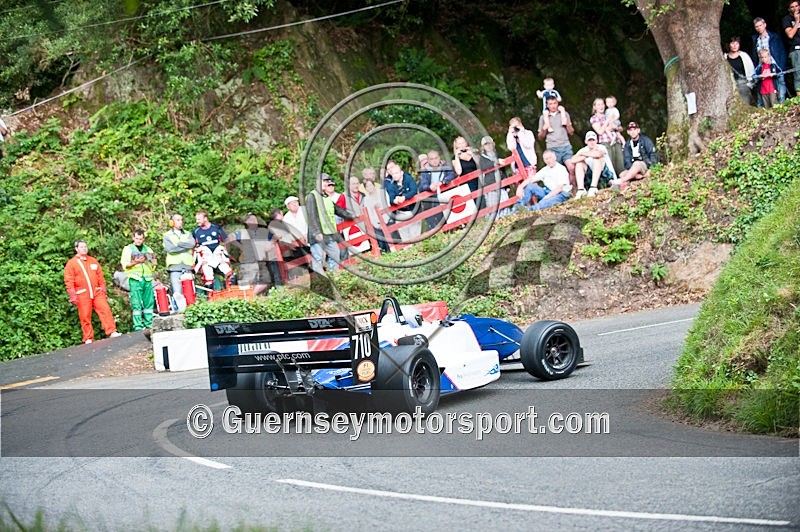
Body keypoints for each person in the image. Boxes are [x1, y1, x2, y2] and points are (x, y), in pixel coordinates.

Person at [64, 240, 122, 344]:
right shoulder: (72, 263)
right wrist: (72, 295)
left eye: (85, 246)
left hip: (96, 292)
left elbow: (100, 276)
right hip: (82, 293)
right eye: (81, 247)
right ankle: (88, 337)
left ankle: (111, 331)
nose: (84, 249)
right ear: (76, 249)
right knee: (85, 315)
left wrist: (103, 288)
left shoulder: (93, 261)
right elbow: (69, 280)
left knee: (105, 310)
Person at [306, 173, 354, 274]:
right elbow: (311, 216)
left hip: (329, 233)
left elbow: (338, 210)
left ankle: (334, 277)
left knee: (335, 255)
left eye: (327, 181)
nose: (326, 183)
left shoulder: (326, 197)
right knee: (318, 259)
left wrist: (352, 216)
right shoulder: (312, 196)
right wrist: (316, 232)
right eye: (324, 181)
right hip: (318, 235)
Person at [228, 213, 276, 295]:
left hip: (261, 261)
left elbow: (275, 237)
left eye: (255, 219)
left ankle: (252, 296)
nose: (254, 221)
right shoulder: (243, 233)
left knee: (265, 281)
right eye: (251, 220)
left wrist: (270, 244)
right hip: (248, 263)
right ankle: (249, 298)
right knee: (248, 284)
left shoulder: (263, 232)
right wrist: (240, 246)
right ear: (246, 222)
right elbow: (230, 238)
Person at [121, 230, 156, 331]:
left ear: (143, 239)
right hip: (135, 279)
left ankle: (149, 324)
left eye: (140, 239)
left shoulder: (148, 249)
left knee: (149, 303)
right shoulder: (128, 249)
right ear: (133, 238)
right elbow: (125, 264)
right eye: (136, 239)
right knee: (136, 303)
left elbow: (153, 265)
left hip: (147, 278)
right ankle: (138, 326)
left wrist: (153, 262)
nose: (138, 241)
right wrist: (135, 262)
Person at [568, 131, 617, 199]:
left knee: (596, 159)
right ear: (586, 141)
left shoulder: (601, 147)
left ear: (596, 140)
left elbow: (598, 154)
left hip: (605, 176)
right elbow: (572, 160)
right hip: (590, 177)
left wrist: (584, 154)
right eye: (589, 140)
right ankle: (581, 190)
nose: (591, 142)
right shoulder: (583, 150)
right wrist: (587, 155)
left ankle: (593, 187)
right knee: (579, 163)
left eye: (593, 140)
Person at [613, 122, 659, 191]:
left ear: (638, 130)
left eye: (635, 129)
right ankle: (631, 181)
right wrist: (635, 172)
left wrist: (651, 168)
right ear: (628, 132)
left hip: (644, 164)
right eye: (630, 130)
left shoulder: (646, 140)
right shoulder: (627, 145)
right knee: (622, 174)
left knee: (637, 164)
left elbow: (653, 155)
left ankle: (622, 181)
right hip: (633, 168)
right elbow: (627, 160)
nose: (633, 132)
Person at [193, 210, 232, 289]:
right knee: (208, 280)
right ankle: (210, 297)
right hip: (206, 259)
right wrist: (198, 261)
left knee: (229, 274)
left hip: (218, 257)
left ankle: (233, 292)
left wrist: (226, 257)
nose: (197, 221)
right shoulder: (196, 232)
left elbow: (227, 242)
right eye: (196, 219)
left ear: (205, 218)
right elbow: (193, 247)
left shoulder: (216, 229)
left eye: (199, 219)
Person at [752, 17, 787, 104]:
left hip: (775, 65)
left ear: (765, 25)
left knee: (780, 85)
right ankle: (764, 107)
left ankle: (782, 105)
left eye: (760, 25)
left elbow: (782, 51)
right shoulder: (755, 40)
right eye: (757, 26)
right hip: (762, 68)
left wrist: (781, 66)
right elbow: (755, 55)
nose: (759, 28)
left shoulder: (774, 37)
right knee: (764, 88)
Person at [418, 149, 456, 229]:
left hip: (446, 194)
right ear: (428, 160)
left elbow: (452, 175)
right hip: (433, 198)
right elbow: (422, 185)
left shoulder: (445, 166)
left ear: (439, 158)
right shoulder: (424, 171)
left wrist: (443, 182)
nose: (434, 161)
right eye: (432, 159)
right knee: (436, 218)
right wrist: (429, 187)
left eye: (436, 158)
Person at [385, 160, 422, 242]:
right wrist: (395, 200)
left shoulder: (408, 178)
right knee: (405, 237)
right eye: (393, 173)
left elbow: (414, 190)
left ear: (401, 172)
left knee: (415, 235)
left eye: (396, 173)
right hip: (401, 212)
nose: (394, 175)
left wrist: (404, 197)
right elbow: (391, 198)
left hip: (413, 209)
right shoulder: (390, 184)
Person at [162, 213, 195, 296]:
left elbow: (191, 244)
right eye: (178, 220)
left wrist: (178, 244)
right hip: (174, 267)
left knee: (190, 293)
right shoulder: (167, 235)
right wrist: (184, 246)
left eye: (181, 220)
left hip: (187, 266)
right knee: (177, 294)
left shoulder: (188, 234)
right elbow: (170, 249)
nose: (180, 222)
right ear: (172, 222)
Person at [589, 98, 624, 175]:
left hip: (616, 141)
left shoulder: (609, 114)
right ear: (594, 107)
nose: (601, 106)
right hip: (605, 143)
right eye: (598, 104)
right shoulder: (594, 118)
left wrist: (616, 127)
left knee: (620, 164)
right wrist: (607, 121)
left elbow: (620, 128)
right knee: (610, 164)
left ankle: (623, 181)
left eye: (602, 104)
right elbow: (600, 131)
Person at [537, 96, 575, 165]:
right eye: (550, 104)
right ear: (547, 105)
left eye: (555, 103)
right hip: (552, 147)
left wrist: (567, 124)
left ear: (558, 104)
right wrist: (544, 129)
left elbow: (571, 132)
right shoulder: (543, 117)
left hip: (565, 146)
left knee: (571, 167)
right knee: (556, 170)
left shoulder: (564, 114)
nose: (553, 106)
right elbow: (540, 137)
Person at [478, 136, 510, 215]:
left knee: (505, 205)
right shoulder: (482, 158)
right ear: (483, 146)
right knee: (494, 208)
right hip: (491, 186)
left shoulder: (498, 154)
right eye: (486, 144)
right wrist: (496, 162)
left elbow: (503, 170)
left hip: (501, 185)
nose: (488, 146)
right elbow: (483, 166)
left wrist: (507, 185)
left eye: (490, 143)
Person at [362, 177, 392, 253]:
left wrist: (384, 221)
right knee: (381, 243)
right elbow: (369, 214)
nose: (369, 188)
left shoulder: (382, 193)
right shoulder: (366, 199)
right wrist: (377, 225)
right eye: (367, 186)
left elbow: (387, 206)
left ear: (374, 185)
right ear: (365, 188)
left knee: (391, 240)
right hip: (376, 224)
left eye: (370, 185)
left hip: (387, 219)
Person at [724, 36, 756, 105]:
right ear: (729, 45)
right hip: (730, 84)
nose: (735, 46)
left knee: (746, 101)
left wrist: (751, 83)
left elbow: (751, 69)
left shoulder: (744, 56)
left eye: (737, 43)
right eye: (732, 43)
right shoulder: (725, 57)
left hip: (743, 82)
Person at [784, 1, 800, 95]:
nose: (795, 8)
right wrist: (797, 21)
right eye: (792, 7)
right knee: (798, 75)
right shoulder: (787, 19)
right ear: (789, 9)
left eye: (797, 6)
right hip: (796, 49)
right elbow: (790, 34)